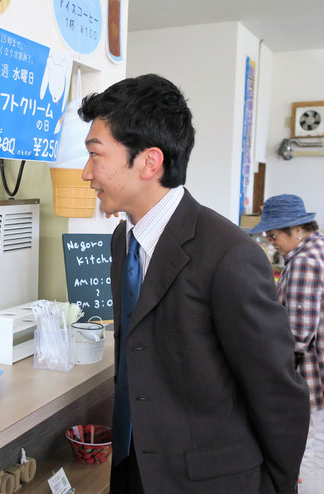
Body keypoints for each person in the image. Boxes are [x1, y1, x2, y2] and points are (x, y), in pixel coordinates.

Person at [78, 74, 310, 493]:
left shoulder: (228, 254)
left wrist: (278, 485)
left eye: (96, 156)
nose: (85, 173)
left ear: (149, 162)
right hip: (133, 463)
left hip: (208, 479)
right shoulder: (122, 239)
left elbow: (277, 391)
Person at [249, 194, 324, 494]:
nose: (271, 242)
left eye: (274, 234)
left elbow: (296, 336)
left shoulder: (304, 262)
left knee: (309, 456)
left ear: (296, 228)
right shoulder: (319, 249)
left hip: (312, 381)